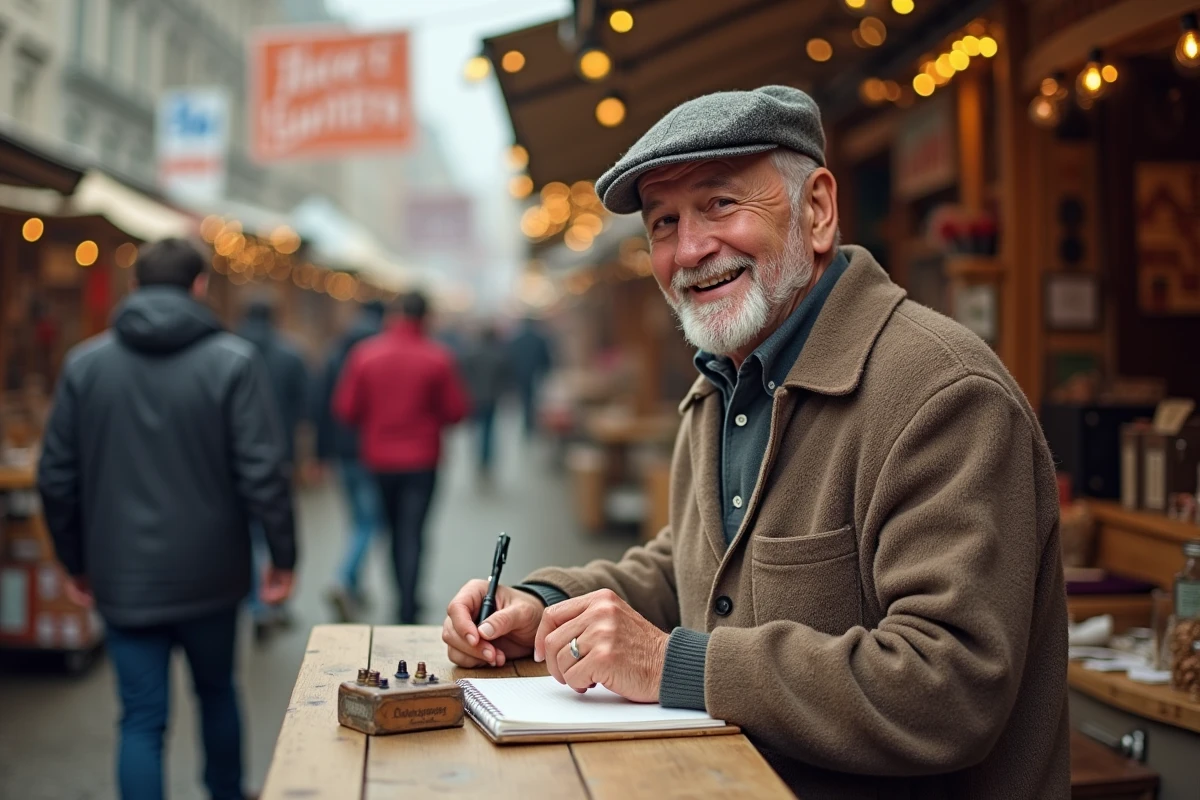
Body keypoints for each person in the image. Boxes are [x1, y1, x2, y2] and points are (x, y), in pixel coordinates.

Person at [442, 86, 1069, 798]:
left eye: (719, 205)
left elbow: (949, 688)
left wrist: (673, 665)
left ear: (818, 210)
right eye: (664, 222)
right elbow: (696, 572)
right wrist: (544, 605)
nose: (690, 249)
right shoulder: (726, 381)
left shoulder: (942, 396)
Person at [37, 238, 296, 800]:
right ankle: (226, 792)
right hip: (212, 573)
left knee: (140, 717)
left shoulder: (85, 366)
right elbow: (264, 472)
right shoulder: (233, 362)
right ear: (200, 285)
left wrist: (75, 561)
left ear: (133, 288)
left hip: (122, 574)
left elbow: (56, 478)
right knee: (218, 692)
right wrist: (283, 556)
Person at [334, 291, 469, 624]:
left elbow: (346, 409)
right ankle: (408, 600)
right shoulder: (437, 357)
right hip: (422, 460)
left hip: (379, 460)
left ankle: (401, 594)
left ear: (393, 315)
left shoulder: (365, 355)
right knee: (414, 531)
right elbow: (456, 410)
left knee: (392, 529)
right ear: (426, 318)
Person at [237, 295, 309, 639]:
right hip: (280, 453)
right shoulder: (290, 355)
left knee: (247, 533)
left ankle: (255, 601)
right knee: (272, 524)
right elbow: (305, 408)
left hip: (234, 457)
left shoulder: (226, 354)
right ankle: (272, 598)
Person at [313, 300, 387, 621]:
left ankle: (355, 585)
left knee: (357, 520)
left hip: (342, 451)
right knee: (369, 522)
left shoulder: (334, 354)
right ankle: (343, 578)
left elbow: (321, 407)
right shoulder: (379, 354)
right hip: (372, 452)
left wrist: (320, 453)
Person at [459, 323, 512, 484]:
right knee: (489, 430)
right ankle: (486, 461)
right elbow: (505, 379)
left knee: (476, 431)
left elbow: (463, 376)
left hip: (474, 398)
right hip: (491, 398)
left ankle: (479, 459)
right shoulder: (499, 355)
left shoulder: (471, 354)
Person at [507, 316, 552, 437]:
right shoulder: (539, 339)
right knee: (532, 398)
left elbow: (510, 358)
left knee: (525, 398)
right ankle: (530, 422)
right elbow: (546, 357)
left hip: (521, 374)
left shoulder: (516, 340)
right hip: (535, 373)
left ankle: (528, 422)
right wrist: (545, 370)